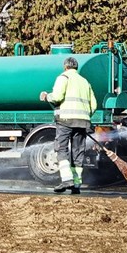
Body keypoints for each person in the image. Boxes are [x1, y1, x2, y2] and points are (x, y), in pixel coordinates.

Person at [39, 57, 97, 194]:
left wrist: (46, 97)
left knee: (61, 148)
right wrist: (84, 114)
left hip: (65, 120)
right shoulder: (85, 82)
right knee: (78, 151)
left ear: (65, 67)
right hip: (83, 121)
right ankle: (76, 185)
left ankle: (66, 180)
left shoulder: (63, 77)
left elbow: (57, 97)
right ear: (76, 67)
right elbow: (94, 105)